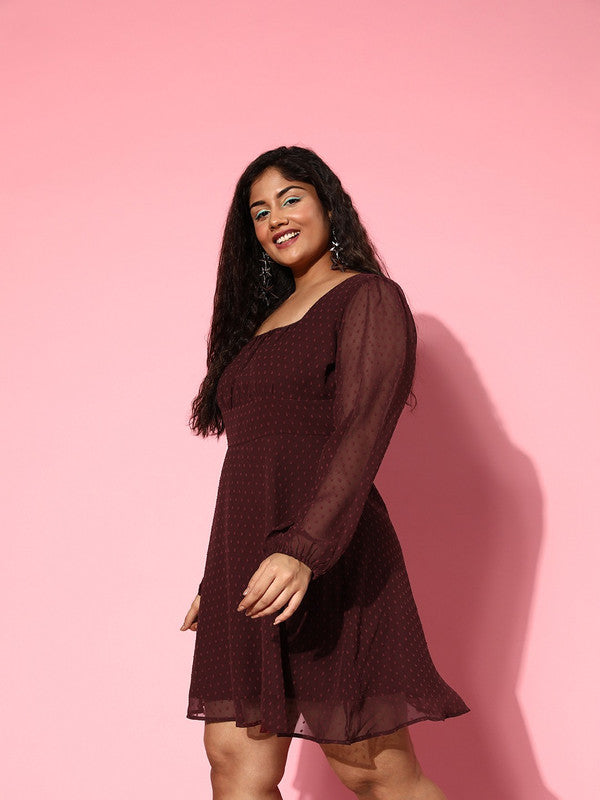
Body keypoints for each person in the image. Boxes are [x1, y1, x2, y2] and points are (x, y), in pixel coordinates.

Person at [180, 145, 470, 799]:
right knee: (234, 762)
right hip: (248, 565)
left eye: (290, 198)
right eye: (259, 212)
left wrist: (304, 550)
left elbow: (362, 433)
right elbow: (253, 457)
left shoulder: (367, 298)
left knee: (373, 769)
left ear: (327, 205)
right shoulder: (257, 327)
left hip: (327, 555)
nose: (275, 218)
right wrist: (215, 576)